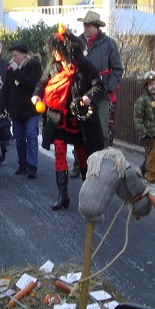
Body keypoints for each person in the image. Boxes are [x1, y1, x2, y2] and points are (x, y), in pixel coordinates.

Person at [32, 26, 105, 210]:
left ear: (67, 50)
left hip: (79, 118)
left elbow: (98, 86)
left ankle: (88, 195)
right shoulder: (53, 66)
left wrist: (88, 97)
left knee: (83, 154)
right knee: (59, 152)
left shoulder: (84, 66)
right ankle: (62, 196)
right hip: (57, 117)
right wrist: (36, 96)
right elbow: (42, 83)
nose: (54, 53)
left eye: (58, 49)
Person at [80, 10, 123, 156]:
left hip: (102, 96)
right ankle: (81, 163)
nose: (86, 28)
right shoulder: (78, 43)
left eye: (89, 26)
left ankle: (101, 162)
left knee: (102, 132)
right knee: (80, 131)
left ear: (97, 27)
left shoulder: (109, 44)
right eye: (85, 25)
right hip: (81, 94)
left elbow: (117, 69)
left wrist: (108, 88)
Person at [4, 42, 41, 178]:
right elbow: (6, 89)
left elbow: (31, 84)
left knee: (31, 135)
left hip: (31, 109)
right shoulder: (10, 70)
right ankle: (23, 163)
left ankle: (32, 165)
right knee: (19, 138)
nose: (13, 58)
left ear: (24, 55)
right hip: (17, 110)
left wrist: (17, 72)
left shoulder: (34, 66)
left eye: (16, 56)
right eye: (12, 56)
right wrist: (1, 107)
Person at [133, 71, 155, 182]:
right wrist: (144, 132)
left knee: (153, 154)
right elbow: (138, 118)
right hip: (149, 133)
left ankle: (144, 169)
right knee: (153, 154)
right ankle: (151, 176)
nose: (153, 87)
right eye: (150, 85)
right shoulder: (142, 100)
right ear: (146, 86)